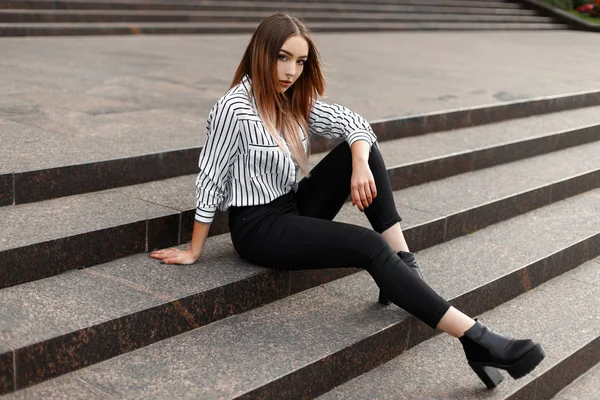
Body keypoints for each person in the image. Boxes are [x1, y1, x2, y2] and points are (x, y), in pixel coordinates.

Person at [150, 13, 544, 390]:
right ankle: (477, 338)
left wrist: (358, 163)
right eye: (282, 58)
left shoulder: (293, 99)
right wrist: (195, 250)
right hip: (258, 228)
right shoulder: (233, 108)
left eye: (300, 61)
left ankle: (405, 266)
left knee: (365, 150)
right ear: (260, 54)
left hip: (293, 204)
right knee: (368, 246)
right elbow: (211, 177)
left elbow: (356, 124)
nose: (291, 71)